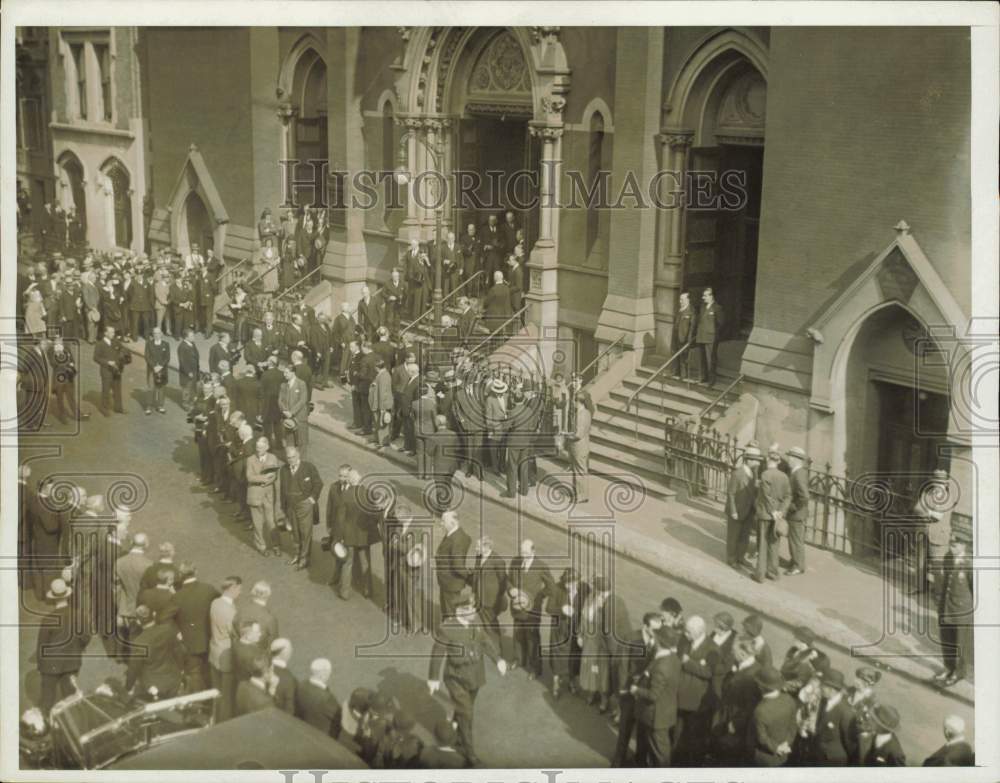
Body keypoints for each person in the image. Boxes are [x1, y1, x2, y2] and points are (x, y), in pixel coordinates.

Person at [428, 585, 508, 767]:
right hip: (456, 678)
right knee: (467, 713)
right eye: (470, 609)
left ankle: (455, 732)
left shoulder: (476, 621)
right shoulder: (447, 628)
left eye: (473, 608)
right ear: (459, 611)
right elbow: (437, 653)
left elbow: (485, 642)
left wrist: (498, 660)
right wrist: (433, 678)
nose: (474, 611)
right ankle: (469, 753)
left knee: (466, 708)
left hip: (475, 676)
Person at [36, 578, 89, 714]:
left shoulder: (47, 620)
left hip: (50, 665)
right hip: (71, 663)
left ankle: (43, 724)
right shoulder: (80, 616)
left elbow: (42, 647)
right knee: (70, 698)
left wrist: (41, 667)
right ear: (68, 595)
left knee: (47, 699)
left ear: (53, 598)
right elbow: (86, 638)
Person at [631, 625, 682, 767]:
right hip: (665, 712)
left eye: (656, 637)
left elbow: (653, 695)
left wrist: (636, 689)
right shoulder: (673, 658)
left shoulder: (661, 666)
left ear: (659, 641)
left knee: (660, 754)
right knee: (656, 749)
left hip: (655, 717)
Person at [167, 561, 220, 694]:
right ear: (196, 572)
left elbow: (168, 620)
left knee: (195, 674)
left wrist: (178, 633)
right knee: (210, 670)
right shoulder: (209, 589)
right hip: (209, 638)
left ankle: (199, 702)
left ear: (180, 575)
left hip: (189, 642)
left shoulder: (176, 597)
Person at [507, 538, 553, 680]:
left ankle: (535, 668)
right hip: (517, 607)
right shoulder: (515, 561)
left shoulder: (541, 566)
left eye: (526, 552)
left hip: (532, 610)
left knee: (532, 638)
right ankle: (518, 660)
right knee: (518, 634)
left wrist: (537, 598)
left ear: (533, 551)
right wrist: (511, 589)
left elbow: (551, 587)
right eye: (521, 551)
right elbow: (508, 580)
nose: (523, 555)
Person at [934, 532, 974, 687]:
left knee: (959, 643)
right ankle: (949, 667)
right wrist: (941, 605)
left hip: (962, 610)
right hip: (946, 606)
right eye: (950, 544)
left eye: (955, 544)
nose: (952, 546)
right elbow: (945, 584)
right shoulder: (948, 558)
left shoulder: (970, 564)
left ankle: (959, 672)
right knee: (947, 640)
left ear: (964, 545)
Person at [330, 469, 375, 600]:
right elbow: (373, 514)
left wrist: (339, 537)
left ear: (349, 480)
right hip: (364, 535)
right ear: (360, 480)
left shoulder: (345, 495)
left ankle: (344, 591)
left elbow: (340, 519)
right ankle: (367, 590)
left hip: (348, 535)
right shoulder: (367, 493)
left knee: (347, 563)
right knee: (365, 563)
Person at [125, 604, 185, 701]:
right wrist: (181, 671)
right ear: (153, 615)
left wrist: (128, 687)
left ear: (139, 622)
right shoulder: (168, 630)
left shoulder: (139, 642)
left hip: (154, 686)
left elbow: (134, 668)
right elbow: (179, 652)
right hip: (174, 680)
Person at [279, 446, 322, 570]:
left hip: (304, 505)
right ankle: (297, 555)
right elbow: (283, 489)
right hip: (290, 506)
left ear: (298, 456)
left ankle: (304, 559)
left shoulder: (308, 467)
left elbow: (318, 483)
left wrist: (311, 499)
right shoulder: (284, 470)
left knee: (305, 532)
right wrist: (283, 506)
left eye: (293, 457)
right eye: (288, 458)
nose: (291, 460)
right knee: (294, 532)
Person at [747, 665, 797, 766]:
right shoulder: (789, 699)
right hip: (783, 755)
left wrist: (776, 748)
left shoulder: (760, 710)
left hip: (763, 758)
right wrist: (786, 743)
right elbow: (793, 726)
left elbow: (762, 738)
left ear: (760, 687)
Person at [754, 449, 791, 583]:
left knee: (763, 544)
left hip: (765, 514)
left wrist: (772, 511)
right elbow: (788, 496)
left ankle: (760, 575)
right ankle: (773, 573)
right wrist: (781, 511)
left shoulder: (765, 474)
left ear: (768, 460)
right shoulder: (784, 477)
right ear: (779, 462)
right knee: (774, 545)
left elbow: (765, 495)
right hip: (778, 517)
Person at [246, 437, 282, 557]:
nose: (258, 450)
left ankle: (276, 545)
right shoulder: (250, 460)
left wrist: (267, 481)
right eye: (257, 448)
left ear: (267, 447)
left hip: (268, 495)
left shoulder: (273, 458)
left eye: (261, 448)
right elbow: (249, 477)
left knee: (271, 522)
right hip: (255, 495)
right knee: (257, 523)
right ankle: (261, 546)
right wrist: (263, 479)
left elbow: (275, 474)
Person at [726, 446, 760, 568]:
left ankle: (740, 557)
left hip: (748, 511)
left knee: (744, 536)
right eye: (756, 460)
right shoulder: (737, 473)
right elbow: (730, 493)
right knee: (734, 536)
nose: (758, 463)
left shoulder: (753, 473)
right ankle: (731, 558)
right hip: (737, 510)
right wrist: (733, 511)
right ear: (749, 460)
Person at [435, 510, 471, 617]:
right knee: (447, 608)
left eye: (443, 521)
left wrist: (470, 577)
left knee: (450, 611)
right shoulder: (453, 534)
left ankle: (449, 632)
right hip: (448, 581)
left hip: (451, 582)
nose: (441, 523)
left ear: (452, 523)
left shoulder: (457, 540)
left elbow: (458, 566)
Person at [297, 658, 341, 736]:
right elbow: (338, 720)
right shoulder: (328, 699)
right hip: (319, 737)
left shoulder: (301, 685)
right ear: (322, 674)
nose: (329, 675)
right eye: (328, 673)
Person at [784, 446, 810, 575]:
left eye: (790, 456)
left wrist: (793, 507)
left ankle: (798, 566)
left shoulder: (798, 474)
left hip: (797, 514)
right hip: (797, 513)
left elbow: (804, 496)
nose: (788, 459)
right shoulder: (796, 471)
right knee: (795, 539)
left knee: (795, 539)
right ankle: (795, 560)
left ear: (795, 459)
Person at [694, 287, 724, 387]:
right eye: (703, 295)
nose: (703, 298)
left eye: (705, 295)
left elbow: (720, 323)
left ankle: (711, 381)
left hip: (711, 338)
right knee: (702, 359)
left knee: (710, 359)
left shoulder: (717, 308)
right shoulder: (702, 307)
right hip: (701, 336)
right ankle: (703, 378)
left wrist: (715, 336)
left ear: (712, 296)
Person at [93, 326, 125, 414]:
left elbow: (122, 348)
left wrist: (121, 354)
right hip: (106, 370)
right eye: (111, 332)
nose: (113, 334)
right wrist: (107, 362)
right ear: (105, 333)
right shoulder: (100, 344)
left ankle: (118, 408)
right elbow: (96, 357)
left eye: (113, 332)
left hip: (116, 370)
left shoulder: (116, 341)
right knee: (106, 390)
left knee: (117, 390)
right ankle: (104, 409)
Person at [144, 327, 170, 415]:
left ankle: (160, 406)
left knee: (161, 388)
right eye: (155, 333)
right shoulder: (149, 344)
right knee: (151, 387)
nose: (156, 335)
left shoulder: (166, 344)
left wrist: (161, 366)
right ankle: (148, 406)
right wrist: (154, 366)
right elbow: (147, 356)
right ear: (153, 334)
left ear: (161, 334)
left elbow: (167, 357)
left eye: (158, 333)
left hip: (162, 370)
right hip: (152, 370)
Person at [671, 291, 696, 379]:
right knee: (675, 353)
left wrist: (689, 338)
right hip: (676, 336)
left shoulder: (691, 311)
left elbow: (692, 326)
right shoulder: (679, 309)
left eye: (682, 299)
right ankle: (675, 372)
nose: (680, 301)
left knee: (683, 356)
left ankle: (683, 375)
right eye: (680, 299)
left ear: (688, 300)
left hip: (684, 338)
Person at [269, 638, 297, 714]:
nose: (292, 650)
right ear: (285, 653)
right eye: (290, 648)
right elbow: (289, 709)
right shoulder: (289, 679)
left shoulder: (264, 668)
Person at [177, 328, 201, 411]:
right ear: (186, 337)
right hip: (187, 373)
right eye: (192, 336)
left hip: (195, 370)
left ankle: (192, 402)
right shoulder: (182, 347)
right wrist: (188, 372)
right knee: (187, 388)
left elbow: (196, 355)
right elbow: (182, 362)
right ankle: (185, 404)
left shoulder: (192, 344)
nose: (194, 337)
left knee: (193, 387)